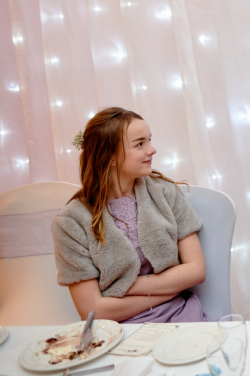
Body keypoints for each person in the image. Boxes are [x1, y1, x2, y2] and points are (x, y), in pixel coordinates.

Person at [51, 108, 208, 323]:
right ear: (110, 156)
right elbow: (93, 311)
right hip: (115, 330)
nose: (152, 150)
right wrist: (170, 290)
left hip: (179, 315)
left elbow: (196, 271)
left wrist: (122, 287)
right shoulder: (70, 222)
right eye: (140, 144)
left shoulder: (166, 193)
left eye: (149, 140)